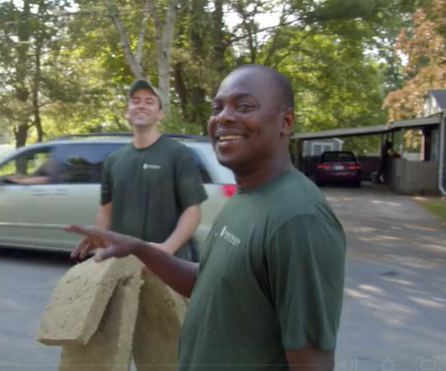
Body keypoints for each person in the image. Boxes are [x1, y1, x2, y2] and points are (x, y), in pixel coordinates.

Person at [65, 65, 346, 371]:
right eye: (217, 107)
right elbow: (209, 281)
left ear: (285, 121)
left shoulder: (298, 219)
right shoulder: (248, 195)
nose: (223, 117)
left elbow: (312, 362)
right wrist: (139, 247)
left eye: (244, 106)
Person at [84, 79, 208, 263]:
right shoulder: (114, 160)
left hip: (167, 265)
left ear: (159, 114)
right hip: (122, 265)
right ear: (127, 112)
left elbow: (192, 210)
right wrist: (102, 246)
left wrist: (167, 249)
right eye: (136, 101)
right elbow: (105, 210)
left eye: (149, 102)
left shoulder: (178, 154)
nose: (141, 106)